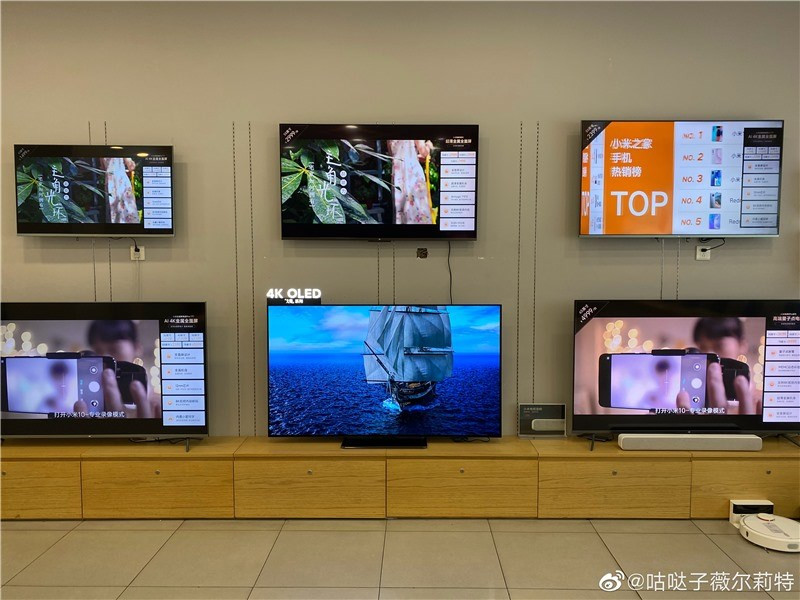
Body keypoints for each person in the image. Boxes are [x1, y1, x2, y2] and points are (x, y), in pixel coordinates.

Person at [72, 320, 160, 418]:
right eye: (97, 351)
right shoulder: (86, 401)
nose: (104, 357)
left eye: (114, 349)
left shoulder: (157, 407)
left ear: (137, 348)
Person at [674, 317, 759, 415]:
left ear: (742, 345)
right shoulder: (690, 396)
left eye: (719, 345)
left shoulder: (758, 403)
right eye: (702, 347)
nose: (709, 353)